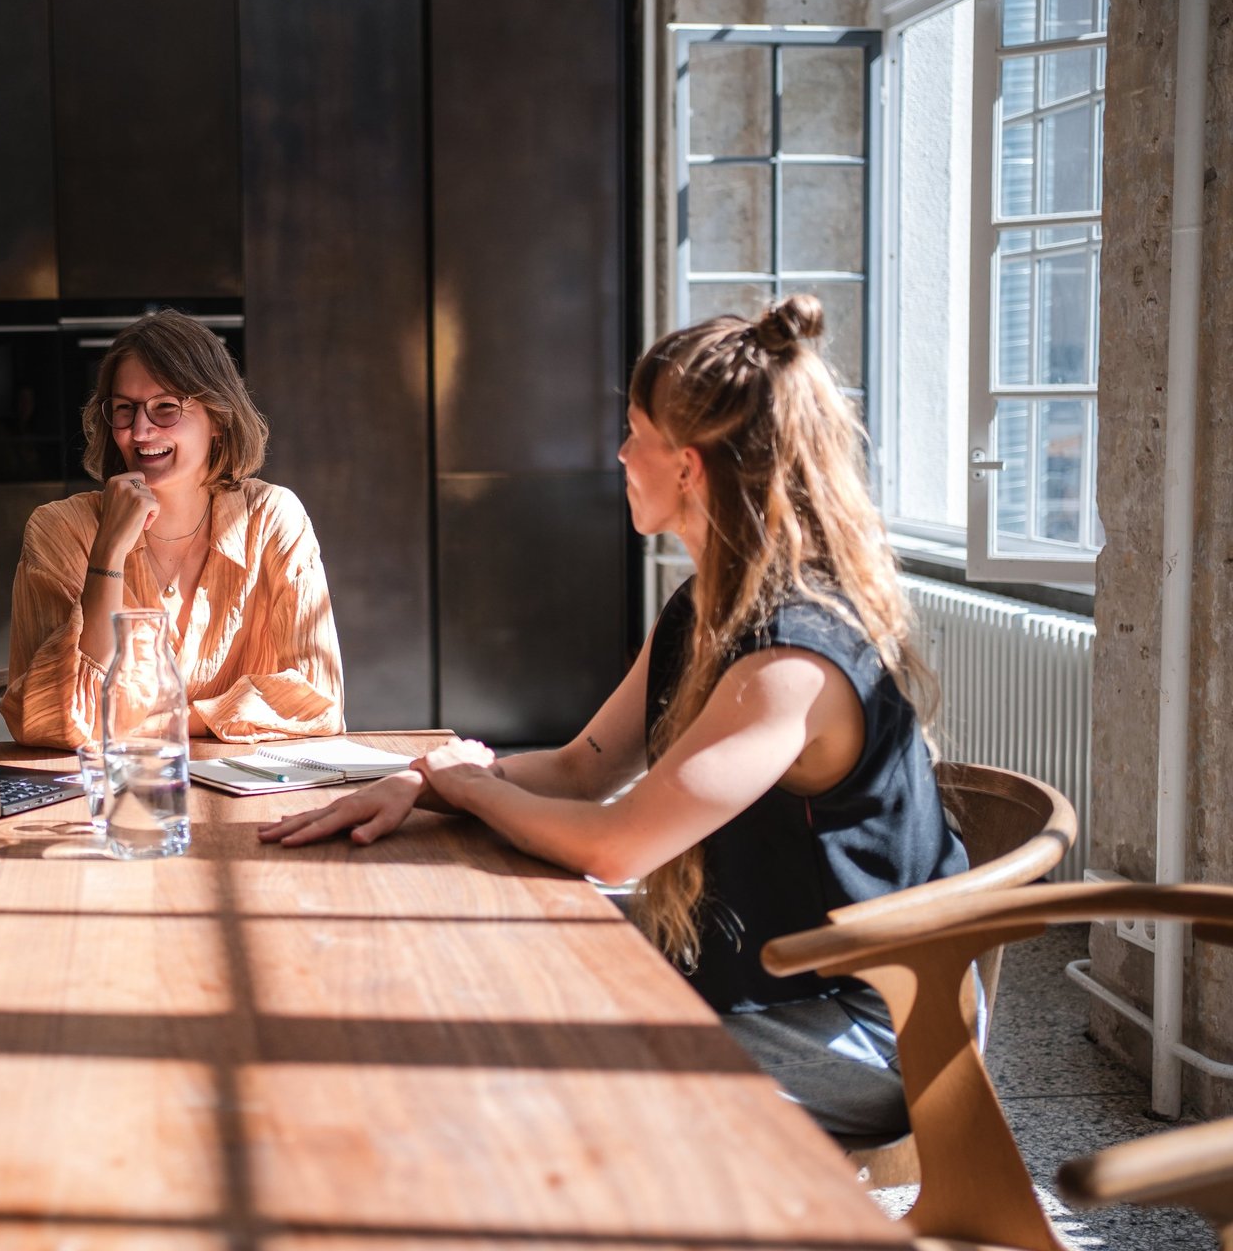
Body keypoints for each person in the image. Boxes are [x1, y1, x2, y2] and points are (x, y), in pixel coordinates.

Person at [261, 295, 966, 1138]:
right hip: (755, 977)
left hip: (860, 1035)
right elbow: (583, 769)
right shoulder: (703, 608)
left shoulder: (793, 660)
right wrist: (421, 783)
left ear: (689, 467)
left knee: (500, 1053)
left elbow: (616, 842)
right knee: (476, 976)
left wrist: (471, 787)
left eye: (634, 431)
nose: (620, 453)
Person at [2, 309, 344, 748]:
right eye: (124, 409)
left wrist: (164, 724)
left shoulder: (273, 519)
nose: (140, 431)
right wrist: (107, 553)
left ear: (218, 418)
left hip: (247, 798)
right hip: (102, 798)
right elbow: (50, 719)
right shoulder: (58, 529)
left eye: (166, 407)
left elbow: (317, 699)